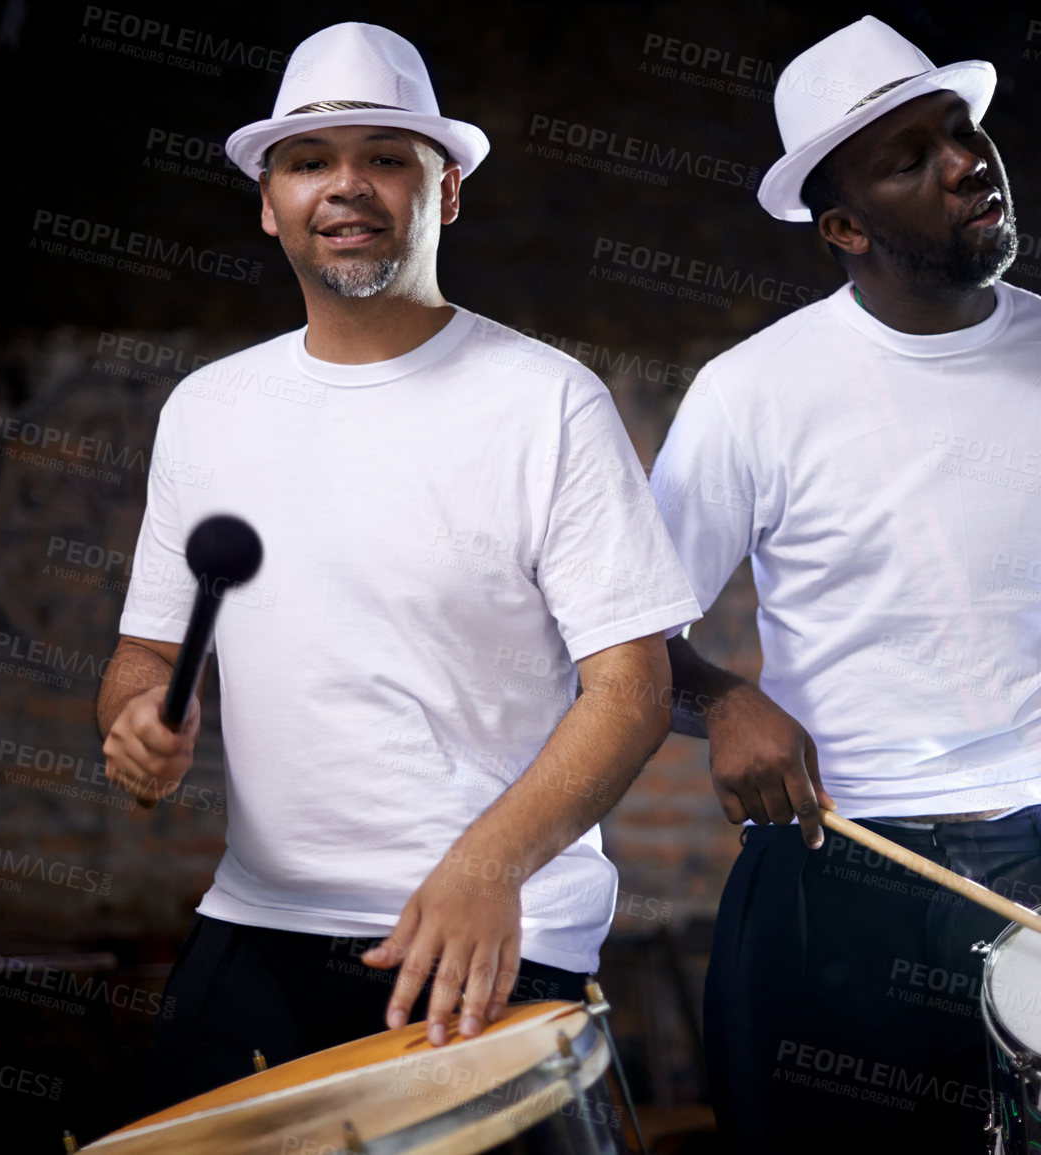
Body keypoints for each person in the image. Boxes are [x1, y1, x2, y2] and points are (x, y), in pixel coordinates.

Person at [648, 15, 1041, 1152]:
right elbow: (625, 647)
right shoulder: (751, 393)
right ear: (843, 225)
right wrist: (722, 701)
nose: (967, 161)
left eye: (962, 130)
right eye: (913, 158)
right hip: (840, 854)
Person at [96, 22, 701, 1116]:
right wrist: (139, 721)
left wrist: (490, 868)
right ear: (268, 199)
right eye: (310, 161)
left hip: (484, 932)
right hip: (259, 924)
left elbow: (635, 688)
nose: (347, 187)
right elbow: (143, 656)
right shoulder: (209, 413)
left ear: (447, 191)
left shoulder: (547, 402)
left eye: (387, 156)